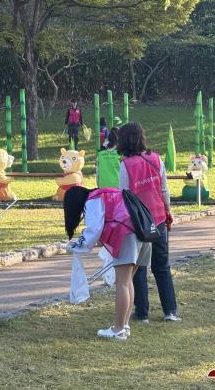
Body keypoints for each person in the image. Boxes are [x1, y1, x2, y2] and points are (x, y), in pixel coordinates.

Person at [64, 186, 151, 340]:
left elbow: (93, 229)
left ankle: (118, 330)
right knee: (127, 281)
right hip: (143, 232)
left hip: (126, 234)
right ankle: (124, 326)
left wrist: (77, 245)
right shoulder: (107, 193)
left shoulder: (93, 200)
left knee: (122, 283)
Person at [117, 122, 180, 322]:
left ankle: (141, 312)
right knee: (162, 266)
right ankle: (170, 311)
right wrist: (168, 210)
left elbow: (124, 195)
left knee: (139, 267)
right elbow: (164, 189)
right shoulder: (156, 159)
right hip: (159, 218)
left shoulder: (126, 165)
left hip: (138, 222)